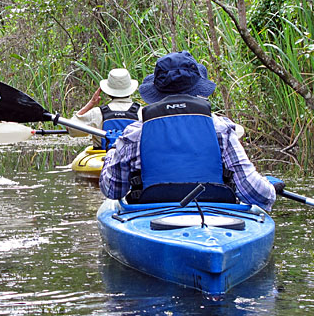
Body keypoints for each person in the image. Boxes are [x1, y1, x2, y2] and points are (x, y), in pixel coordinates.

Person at [99, 51, 281, 211]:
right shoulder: (221, 129)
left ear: (157, 92)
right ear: (197, 90)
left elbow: (113, 190)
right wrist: (269, 187)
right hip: (216, 218)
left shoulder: (134, 134)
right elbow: (255, 192)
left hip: (152, 216)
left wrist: (112, 153)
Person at [67, 68, 143, 150]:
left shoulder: (96, 113)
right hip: (132, 160)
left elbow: (70, 128)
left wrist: (91, 104)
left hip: (102, 158)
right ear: (130, 90)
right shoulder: (142, 112)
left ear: (108, 91)